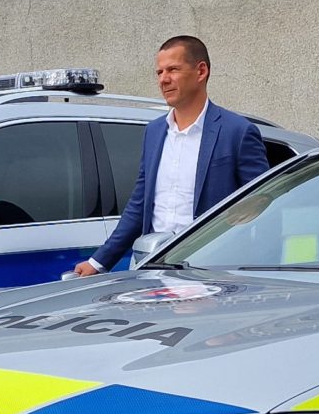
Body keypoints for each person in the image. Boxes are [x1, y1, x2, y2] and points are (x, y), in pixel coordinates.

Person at [71, 35, 268, 275]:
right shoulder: (154, 132)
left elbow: (261, 205)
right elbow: (139, 205)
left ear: (201, 71)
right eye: (159, 72)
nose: (164, 79)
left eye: (173, 69)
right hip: (154, 267)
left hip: (211, 271)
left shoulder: (237, 132)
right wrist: (98, 262)